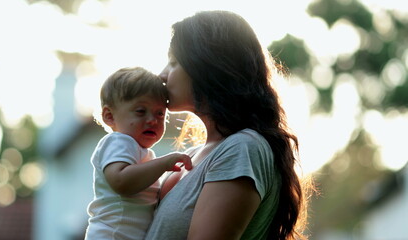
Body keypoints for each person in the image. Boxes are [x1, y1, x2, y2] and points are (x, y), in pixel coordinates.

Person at [144, 10, 313, 240]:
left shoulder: (242, 148)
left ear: (205, 65)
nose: (162, 75)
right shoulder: (196, 154)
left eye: (174, 62)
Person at [84, 67, 193, 240]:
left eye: (160, 114)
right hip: (112, 234)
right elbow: (121, 181)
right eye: (141, 111)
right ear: (110, 116)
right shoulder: (118, 142)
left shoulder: (138, 150)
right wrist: (164, 164)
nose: (152, 120)